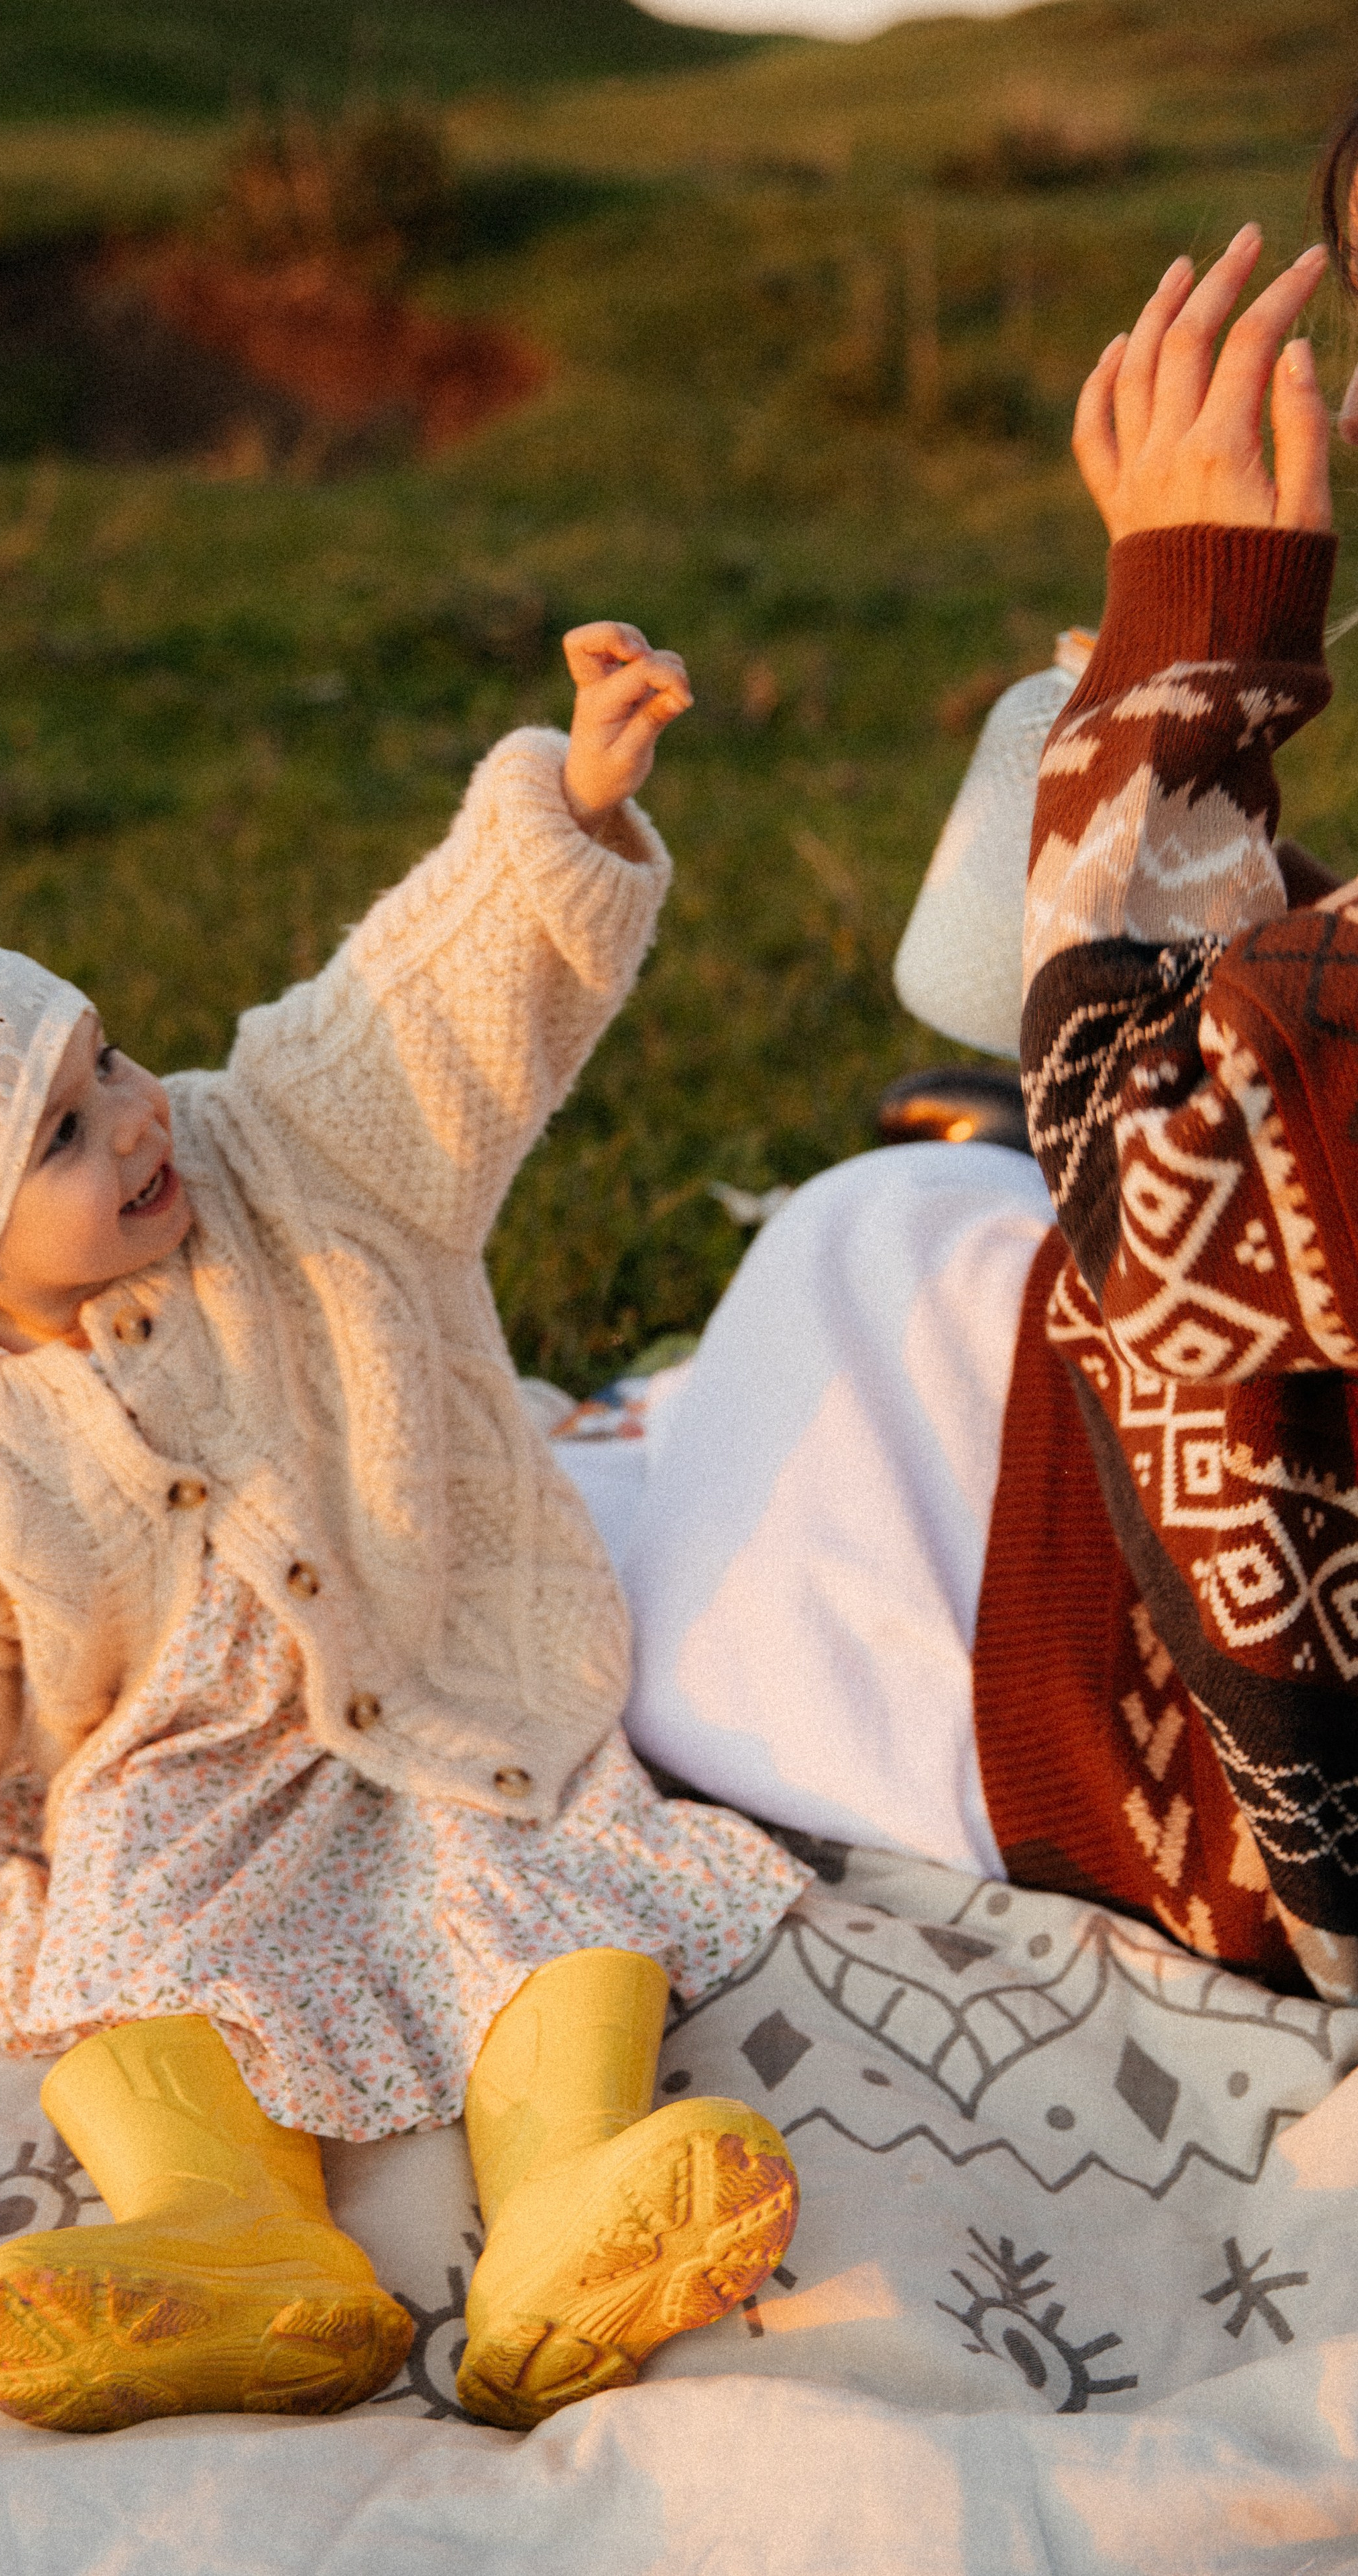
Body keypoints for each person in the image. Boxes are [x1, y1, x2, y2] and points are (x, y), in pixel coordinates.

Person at [0, 627, 807, 2435]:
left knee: (539, 1873)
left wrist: (564, 808)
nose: (131, 1120)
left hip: (435, 1675)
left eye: (105, 1059)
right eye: (56, 1134)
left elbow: (426, 1014)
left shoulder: (289, 1157)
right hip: (176, 1773)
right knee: (123, 1937)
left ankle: (575, 2201)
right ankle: (226, 2234)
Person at [625, 202, 1358, 2007]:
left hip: (1273, 1814)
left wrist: (1181, 653)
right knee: (908, 1235)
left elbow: (1166, 1182)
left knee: (858, 1265)